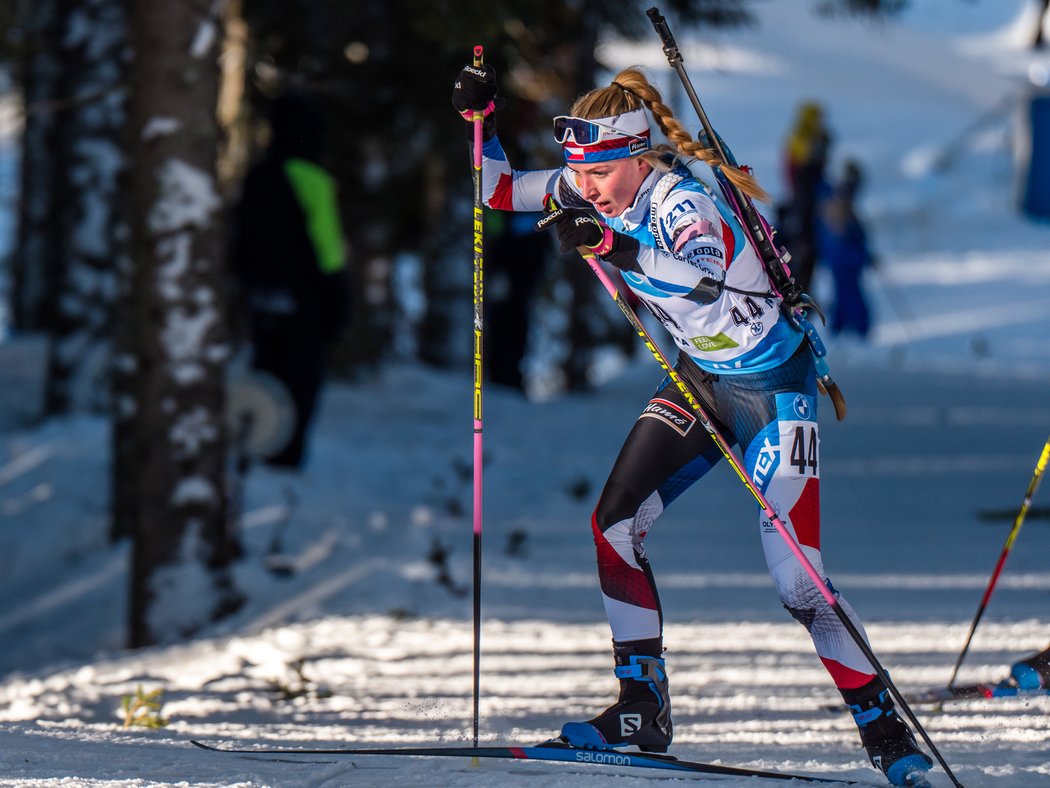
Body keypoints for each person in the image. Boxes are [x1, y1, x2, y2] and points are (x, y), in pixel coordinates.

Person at [452, 63, 931, 787]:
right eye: (578, 174)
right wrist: (477, 125)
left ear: (637, 160)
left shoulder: (682, 203)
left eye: (600, 176)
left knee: (799, 580)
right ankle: (641, 706)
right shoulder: (590, 182)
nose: (585, 189)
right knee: (615, 523)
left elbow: (697, 276)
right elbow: (496, 190)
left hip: (774, 387)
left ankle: (884, 728)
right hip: (704, 377)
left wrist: (611, 246)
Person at [230, 90, 350, 469]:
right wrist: (337, 304)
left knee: (264, 369)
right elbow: (329, 250)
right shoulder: (312, 179)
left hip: (261, 297)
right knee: (300, 379)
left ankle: (253, 448)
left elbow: (239, 242)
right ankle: (285, 459)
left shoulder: (257, 175)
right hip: (305, 302)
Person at [778, 100, 832, 294]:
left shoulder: (803, 136)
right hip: (805, 203)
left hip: (805, 202)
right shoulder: (802, 138)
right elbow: (802, 171)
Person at [818, 159, 875, 340]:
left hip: (842, 260)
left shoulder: (837, 201)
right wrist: (862, 256)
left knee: (844, 296)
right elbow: (840, 241)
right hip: (843, 261)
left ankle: (843, 331)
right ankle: (850, 332)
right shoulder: (838, 204)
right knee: (850, 298)